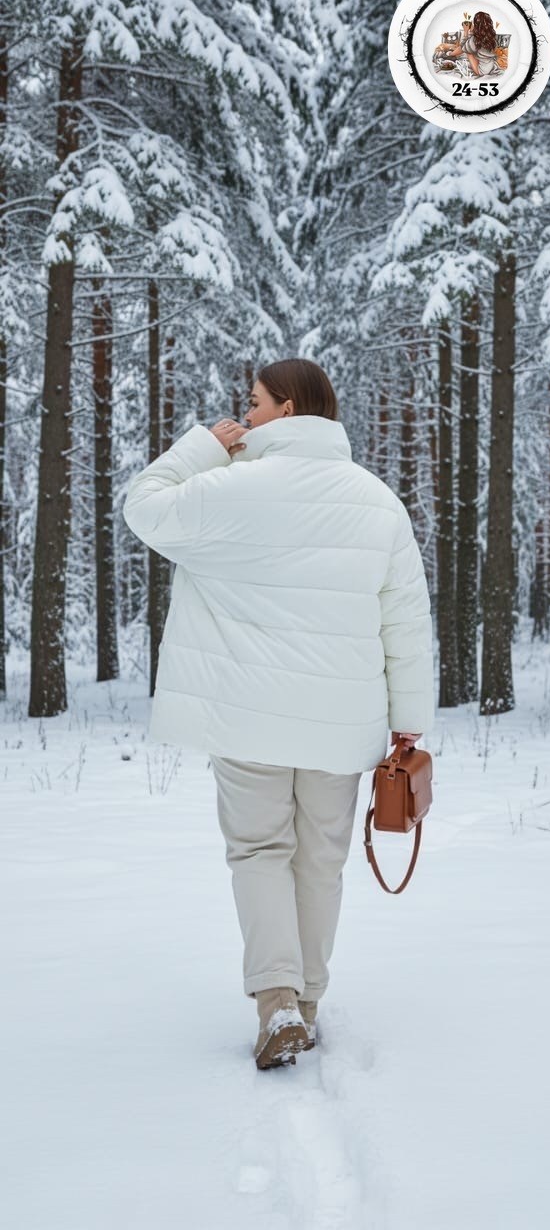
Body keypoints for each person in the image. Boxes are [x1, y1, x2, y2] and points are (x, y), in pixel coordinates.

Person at [123, 358, 435, 1069]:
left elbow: (144, 504)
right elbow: (405, 621)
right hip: (340, 720)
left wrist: (205, 443)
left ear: (288, 410)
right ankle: (309, 1003)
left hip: (247, 718)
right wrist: (408, 718)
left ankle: (277, 1004)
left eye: (255, 403)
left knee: (261, 852)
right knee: (321, 863)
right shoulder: (376, 501)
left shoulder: (228, 486)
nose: (248, 415)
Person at [436, 11, 500, 78]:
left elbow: (462, 48)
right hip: (490, 65)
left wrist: (466, 32)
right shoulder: (492, 37)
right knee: (470, 50)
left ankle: (450, 55)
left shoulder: (475, 40)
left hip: (481, 71)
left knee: (468, 52)